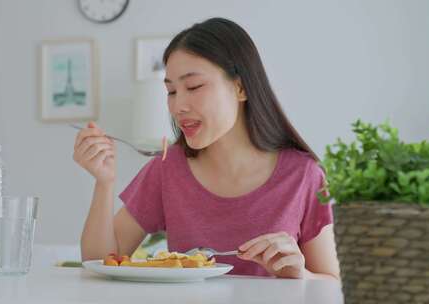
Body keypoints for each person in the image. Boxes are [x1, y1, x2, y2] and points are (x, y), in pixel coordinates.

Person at [74, 17, 339, 279]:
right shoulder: (167, 169)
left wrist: (301, 275)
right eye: (171, 92)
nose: (178, 106)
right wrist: (104, 182)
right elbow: (101, 262)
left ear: (241, 87)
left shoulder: (303, 175)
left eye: (194, 86)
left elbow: (331, 284)